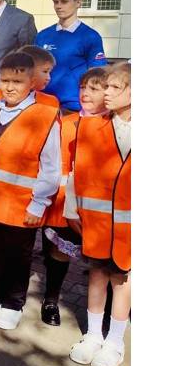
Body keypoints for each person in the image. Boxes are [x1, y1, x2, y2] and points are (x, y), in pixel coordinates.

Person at [0, 52, 60, 331]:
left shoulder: (44, 116)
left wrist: (38, 204)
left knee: (18, 255)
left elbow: (51, 166)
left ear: (32, 82)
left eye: (17, 81)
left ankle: (13, 303)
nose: (9, 87)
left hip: (22, 203)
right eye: (5, 80)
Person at [65, 62, 131, 366]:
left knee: (122, 280)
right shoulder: (92, 125)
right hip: (99, 220)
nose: (105, 93)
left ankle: (115, 341)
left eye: (113, 88)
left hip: (131, 226)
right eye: (105, 87)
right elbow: (79, 172)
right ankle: (92, 334)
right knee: (97, 274)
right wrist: (71, 208)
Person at [38, 67, 109, 327]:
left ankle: (108, 307)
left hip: (100, 205)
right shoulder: (65, 123)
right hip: (64, 201)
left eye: (94, 88)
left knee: (103, 259)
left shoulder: (114, 125)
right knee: (59, 251)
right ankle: (51, 300)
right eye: (83, 88)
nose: (86, 93)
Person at [35, 0, 107, 114]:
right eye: (56, 2)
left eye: (64, 1)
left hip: (72, 106)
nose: (58, 6)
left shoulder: (90, 36)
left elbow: (97, 73)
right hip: (42, 102)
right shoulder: (43, 35)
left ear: (78, 2)